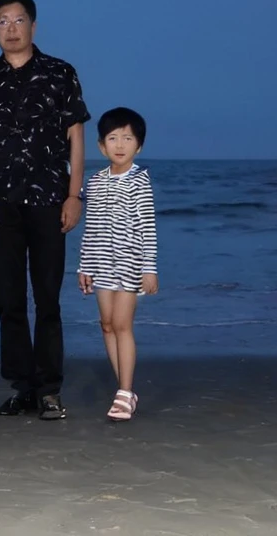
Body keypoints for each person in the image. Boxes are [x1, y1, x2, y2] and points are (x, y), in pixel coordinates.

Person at [0, 0, 89, 421]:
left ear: (33, 26)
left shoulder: (60, 73)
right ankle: (22, 387)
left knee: (48, 297)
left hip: (51, 199)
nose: (11, 28)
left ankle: (50, 388)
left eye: (19, 20)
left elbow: (75, 137)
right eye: (2, 21)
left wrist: (75, 195)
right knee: (11, 300)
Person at [77, 108, 159, 421]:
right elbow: (91, 227)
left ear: (139, 146)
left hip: (130, 264)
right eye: (113, 138)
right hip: (99, 263)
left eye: (128, 138)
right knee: (107, 324)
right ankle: (123, 388)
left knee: (123, 325)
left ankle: (125, 391)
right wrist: (83, 266)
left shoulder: (139, 181)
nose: (120, 144)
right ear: (101, 146)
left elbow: (148, 227)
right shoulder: (95, 182)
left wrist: (149, 268)